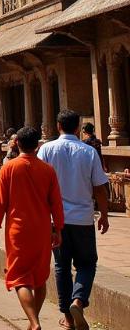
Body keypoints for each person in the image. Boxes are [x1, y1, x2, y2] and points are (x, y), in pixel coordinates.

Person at [38, 109, 110, 330]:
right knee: (87, 263)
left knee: (61, 266)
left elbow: (39, 186)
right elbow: (99, 188)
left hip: (55, 220)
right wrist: (104, 216)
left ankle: (68, 318)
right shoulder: (88, 152)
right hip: (83, 218)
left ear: (58, 126)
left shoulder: (46, 150)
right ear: (78, 127)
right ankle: (78, 301)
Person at [0, 126, 65, 330]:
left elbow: (0, 202)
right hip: (41, 229)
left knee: (20, 277)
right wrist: (58, 229)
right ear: (38, 145)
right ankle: (34, 320)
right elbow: (56, 202)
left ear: (17, 144)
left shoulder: (9, 168)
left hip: (18, 230)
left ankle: (34, 321)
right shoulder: (47, 170)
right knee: (40, 278)